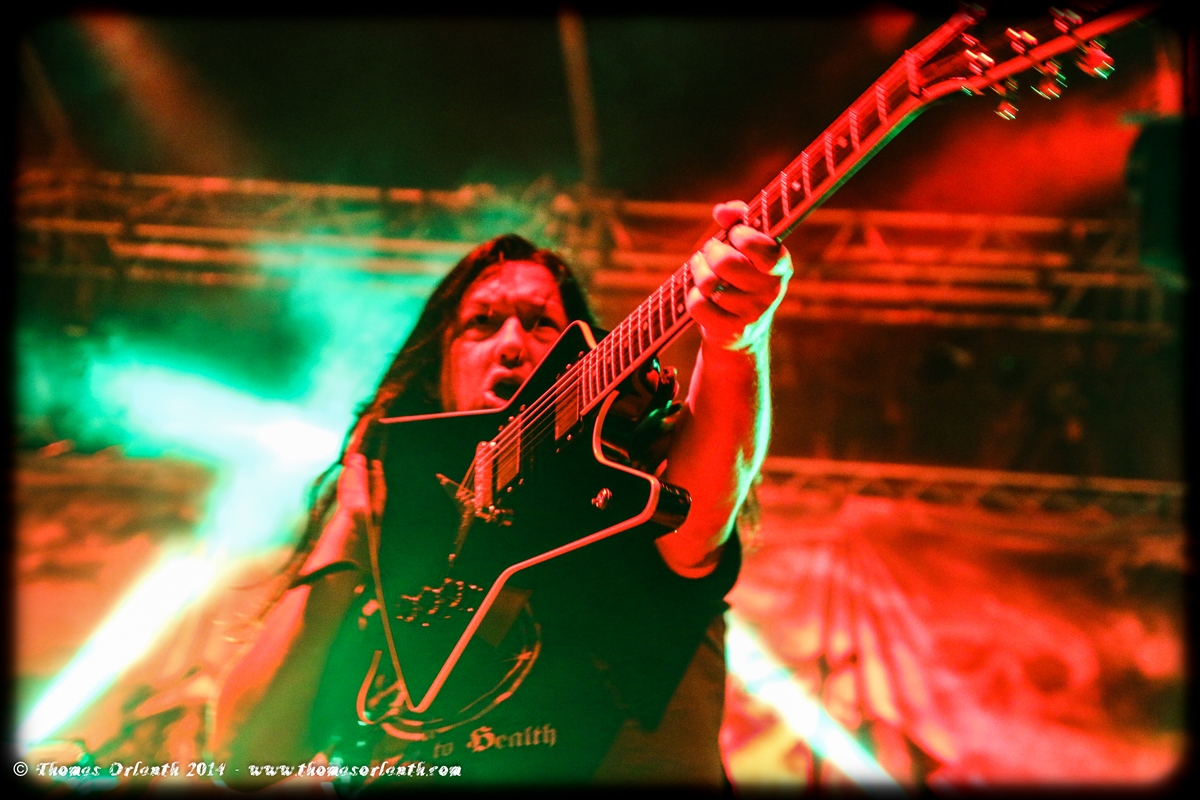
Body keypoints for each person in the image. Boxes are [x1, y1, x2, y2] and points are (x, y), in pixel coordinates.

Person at [212, 200, 791, 788]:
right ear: (439, 369)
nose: (512, 344)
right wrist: (348, 535)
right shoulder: (385, 564)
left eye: (542, 325)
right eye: (481, 324)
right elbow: (241, 758)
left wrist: (736, 341)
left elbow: (703, 504)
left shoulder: (626, 493)